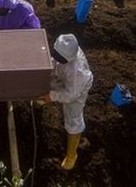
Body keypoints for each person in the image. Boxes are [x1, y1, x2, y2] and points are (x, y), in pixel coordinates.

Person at [40, 34, 94, 170]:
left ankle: (71, 156)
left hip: (77, 91)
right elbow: (55, 61)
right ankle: (39, 104)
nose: (56, 58)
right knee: (44, 87)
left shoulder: (78, 73)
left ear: (68, 59)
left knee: (73, 118)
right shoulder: (65, 49)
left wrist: (52, 96)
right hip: (63, 77)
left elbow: (71, 95)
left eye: (60, 57)